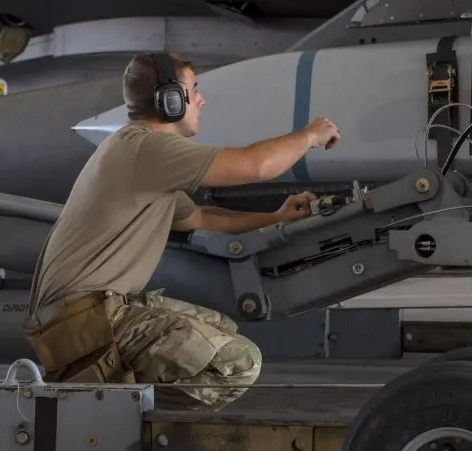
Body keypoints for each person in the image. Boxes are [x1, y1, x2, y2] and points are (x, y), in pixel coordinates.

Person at [21, 51, 341, 418]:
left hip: (92, 312)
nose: (201, 100)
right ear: (169, 99)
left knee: (220, 328)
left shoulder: (137, 152)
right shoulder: (147, 148)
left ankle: (111, 403)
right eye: (194, 90)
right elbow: (257, 165)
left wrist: (275, 216)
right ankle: (101, 409)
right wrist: (309, 136)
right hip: (82, 323)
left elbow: (203, 217)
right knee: (238, 363)